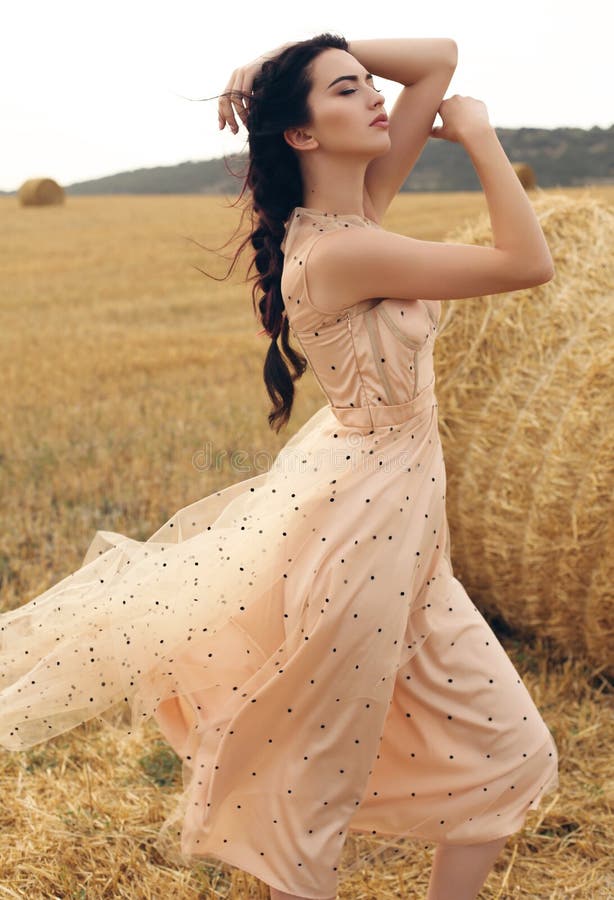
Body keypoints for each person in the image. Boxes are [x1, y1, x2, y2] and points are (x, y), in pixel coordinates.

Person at [0, 32, 558, 900]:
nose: (377, 94)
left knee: (509, 751)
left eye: (370, 84)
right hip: (366, 536)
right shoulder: (343, 250)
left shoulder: (357, 212)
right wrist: (483, 137)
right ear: (303, 135)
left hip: (402, 527)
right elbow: (529, 263)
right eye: (348, 90)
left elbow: (438, 56)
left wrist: (268, 67)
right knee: (306, 784)